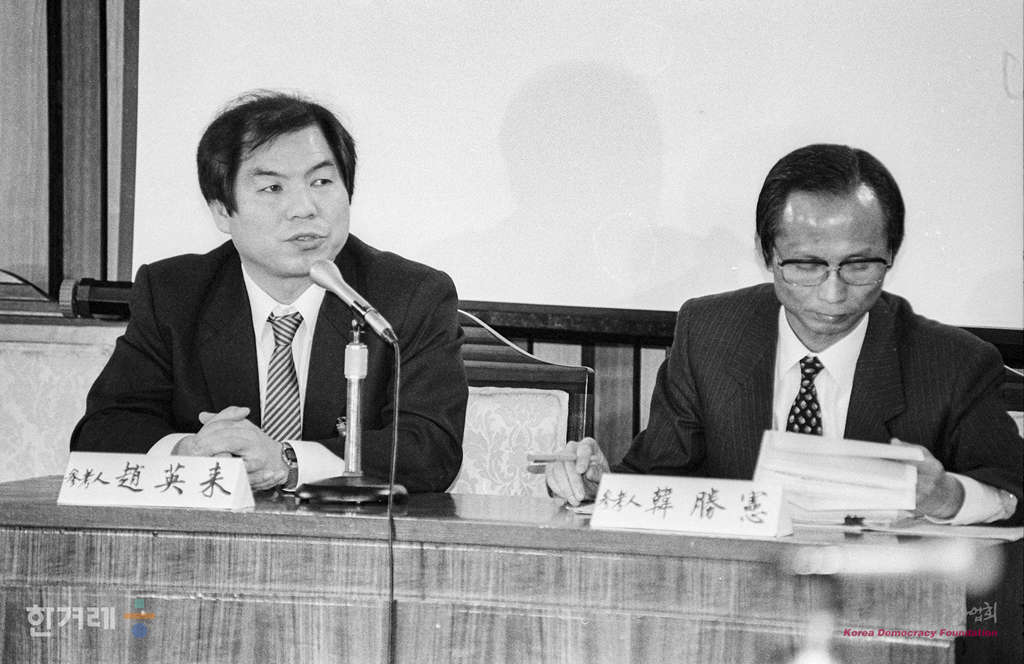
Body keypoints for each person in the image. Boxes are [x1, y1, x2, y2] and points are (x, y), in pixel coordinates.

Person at [547, 144, 1022, 526]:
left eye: (859, 265)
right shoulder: (710, 334)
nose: (833, 293)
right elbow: (658, 477)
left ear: (891, 254)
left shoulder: (952, 363)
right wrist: (598, 486)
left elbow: (1014, 489)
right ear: (766, 254)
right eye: (806, 265)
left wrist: (949, 496)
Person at [71, 91, 467, 493]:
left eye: (322, 181)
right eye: (273, 188)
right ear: (222, 211)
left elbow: (431, 450)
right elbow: (102, 432)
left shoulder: (409, 296)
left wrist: (287, 460)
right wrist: (186, 453)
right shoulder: (174, 293)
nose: (305, 208)